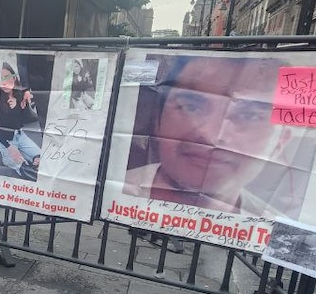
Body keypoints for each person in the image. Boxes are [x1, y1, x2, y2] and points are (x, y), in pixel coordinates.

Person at [123, 54, 290, 215]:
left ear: (279, 143)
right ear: (157, 119)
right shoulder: (107, 194)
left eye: (249, 116)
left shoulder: (280, 233)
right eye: (191, 107)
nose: (212, 136)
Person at [0, 61, 41, 180]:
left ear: (14, 77)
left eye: (7, 77)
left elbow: (24, 119)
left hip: (20, 135)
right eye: (0, 79)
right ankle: (12, 159)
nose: (4, 82)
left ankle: (31, 158)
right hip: (6, 141)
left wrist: (23, 102)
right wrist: (9, 148)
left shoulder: (19, 93)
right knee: (24, 168)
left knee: (40, 159)